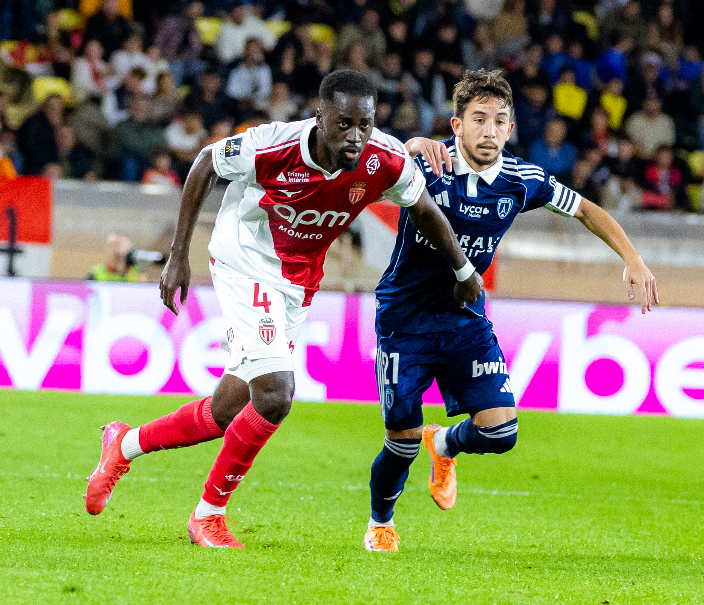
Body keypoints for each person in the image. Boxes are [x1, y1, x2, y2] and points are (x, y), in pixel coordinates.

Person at [83, 70, 483, 549]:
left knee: (228, 409)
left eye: (365, 124)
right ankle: (208, 516)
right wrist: (177, 256)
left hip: (296, 282)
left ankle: (123, 444)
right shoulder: (273, 145)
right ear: (319, 117)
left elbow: (424, 211)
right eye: (344, 124)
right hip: (244, 259)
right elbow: (206, 162)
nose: (355, 136)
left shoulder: (386, 159)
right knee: (276, 394)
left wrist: (464, 271)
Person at [363, 69, 659, 552]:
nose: (490, 130)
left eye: (499, 120)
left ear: (511, 128)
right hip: (405, 320)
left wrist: (633, 259)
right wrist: (410, 145)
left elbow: (586, 210)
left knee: (501, 432)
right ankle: (381, 523)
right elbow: (368, 163)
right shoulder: (426, 164)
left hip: (464, 319)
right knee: (401, 438)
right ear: (456, 125)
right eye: (478, 119)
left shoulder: (522, 180)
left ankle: (445, 443)